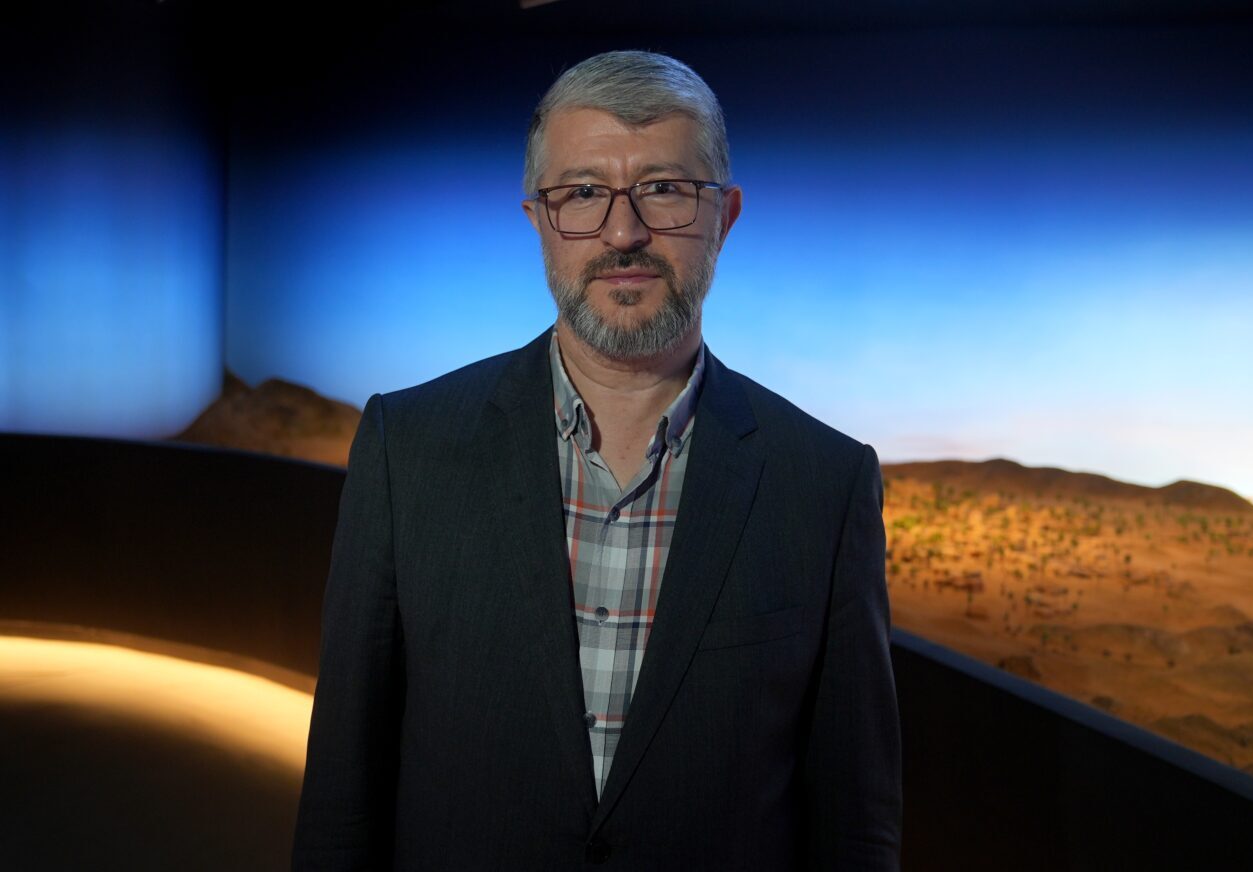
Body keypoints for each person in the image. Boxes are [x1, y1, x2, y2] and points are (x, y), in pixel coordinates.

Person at [293, 50, 901, 871]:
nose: (624, 233)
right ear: (537, 222)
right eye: (582, 192)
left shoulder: (824, 485)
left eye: (665, 188)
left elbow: (856, 826)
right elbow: (341, 797)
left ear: (724, 217)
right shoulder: (406, 449)